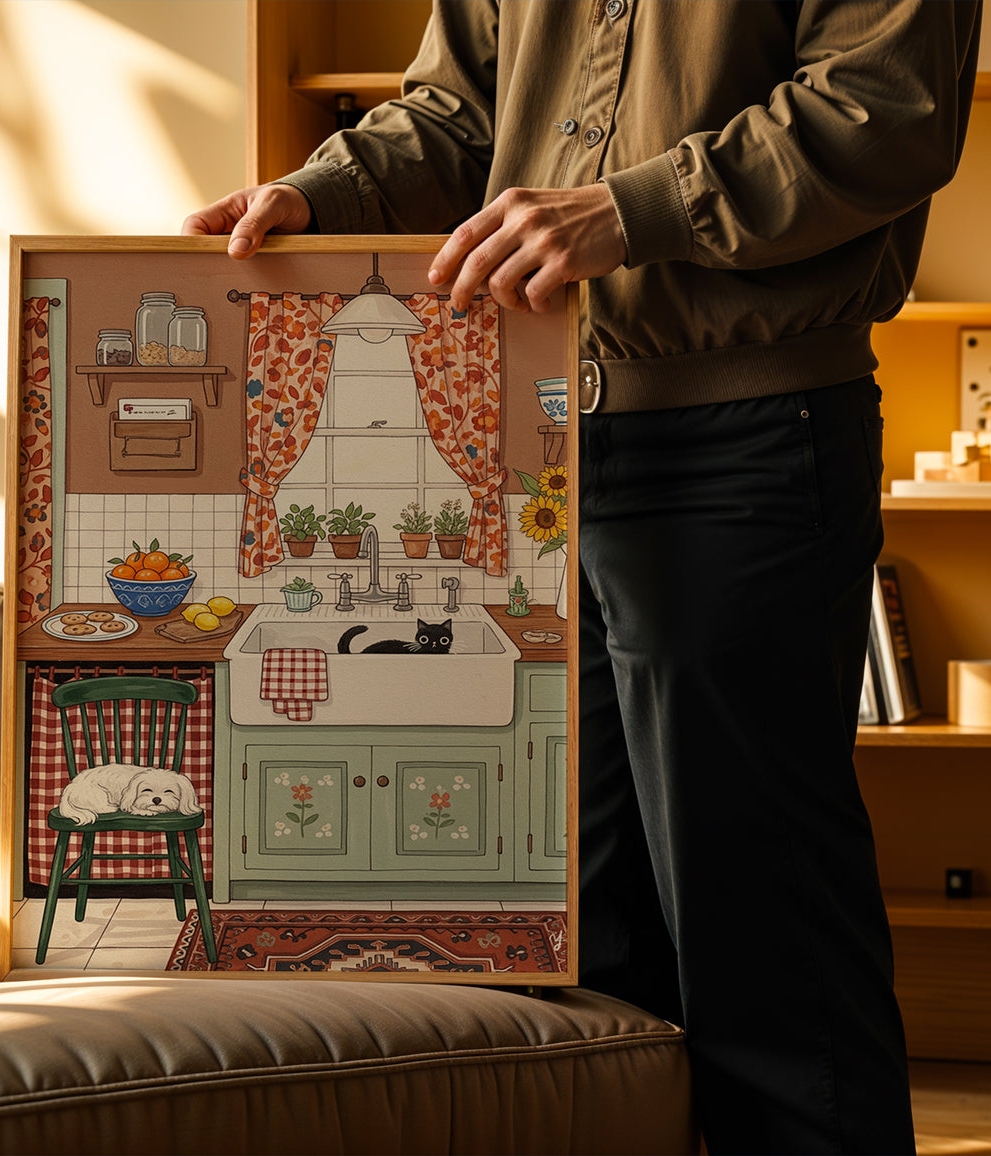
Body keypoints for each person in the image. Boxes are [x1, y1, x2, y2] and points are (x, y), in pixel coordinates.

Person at [183, 2, 983, 1151]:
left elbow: (882, 113)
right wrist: (324, 193)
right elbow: (455, 111)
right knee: (571, 943)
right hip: (542, 435)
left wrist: (625, 211)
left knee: (755, 930)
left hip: (745, 438)